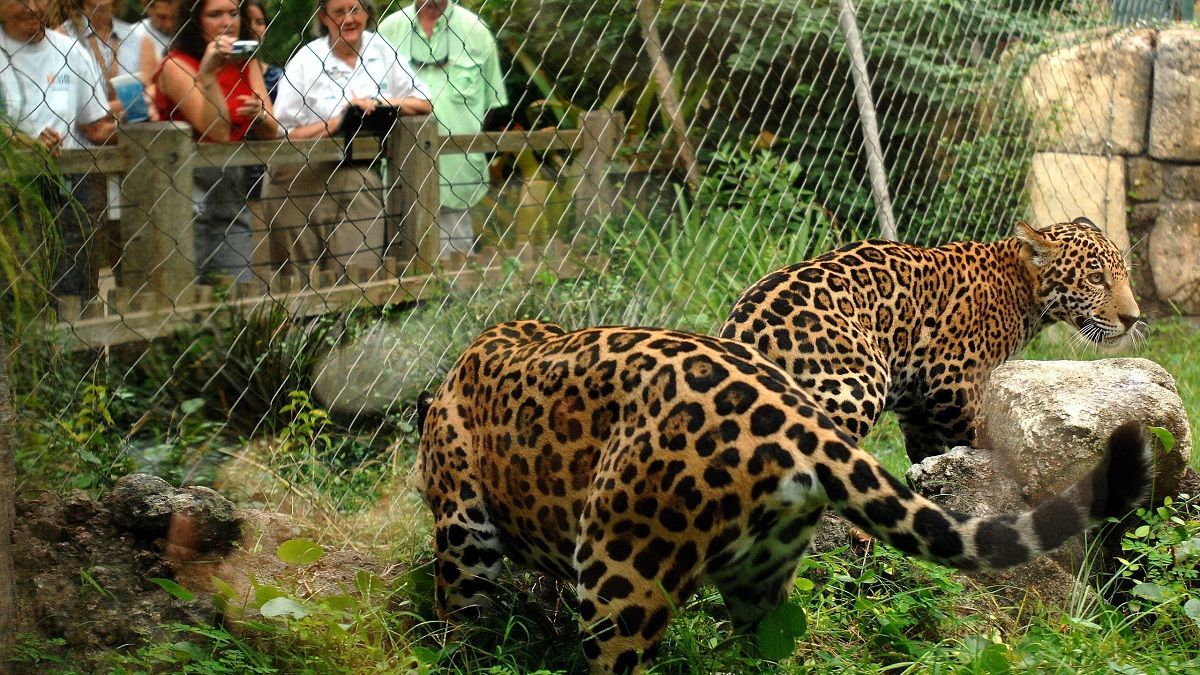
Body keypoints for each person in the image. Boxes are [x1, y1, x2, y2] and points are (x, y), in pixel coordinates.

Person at [264, 0, 431, 279]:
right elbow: (279, 132)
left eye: (355, 9)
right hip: (299, 179)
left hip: (357, 175)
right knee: (301, 283)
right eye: (338, 12)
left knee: (358, 278)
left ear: (367, 12)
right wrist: (335, 124)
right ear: (323, 17)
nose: (348, 19)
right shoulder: (305, 60)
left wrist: (378, 103)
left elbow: (423, 102)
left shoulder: (382, 50)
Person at [1, 0, 117, 298]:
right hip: (10, 197)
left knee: (72, 291)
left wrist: (142, 117)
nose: (31, 6)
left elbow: (96, 127)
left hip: (67, 193)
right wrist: (24, 145)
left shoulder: (70, 52)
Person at [154, 0, 275, 281]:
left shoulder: (247, 61)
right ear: (195, 20)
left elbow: (272, 130)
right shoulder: (176, 65)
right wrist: (207, 76)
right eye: (214, 14)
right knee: (187, 290)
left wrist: (260, 115)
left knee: (237, 285)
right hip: (183, 185)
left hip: (231, 184)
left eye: (233, 13)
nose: (227, 22)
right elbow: (216, 133)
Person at [378, 0, 506, 259]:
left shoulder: (477, 31)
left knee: (456, 271)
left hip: (457, 172)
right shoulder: (387, 31)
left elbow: (492, 105)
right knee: (397, 265)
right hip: (398, 170)